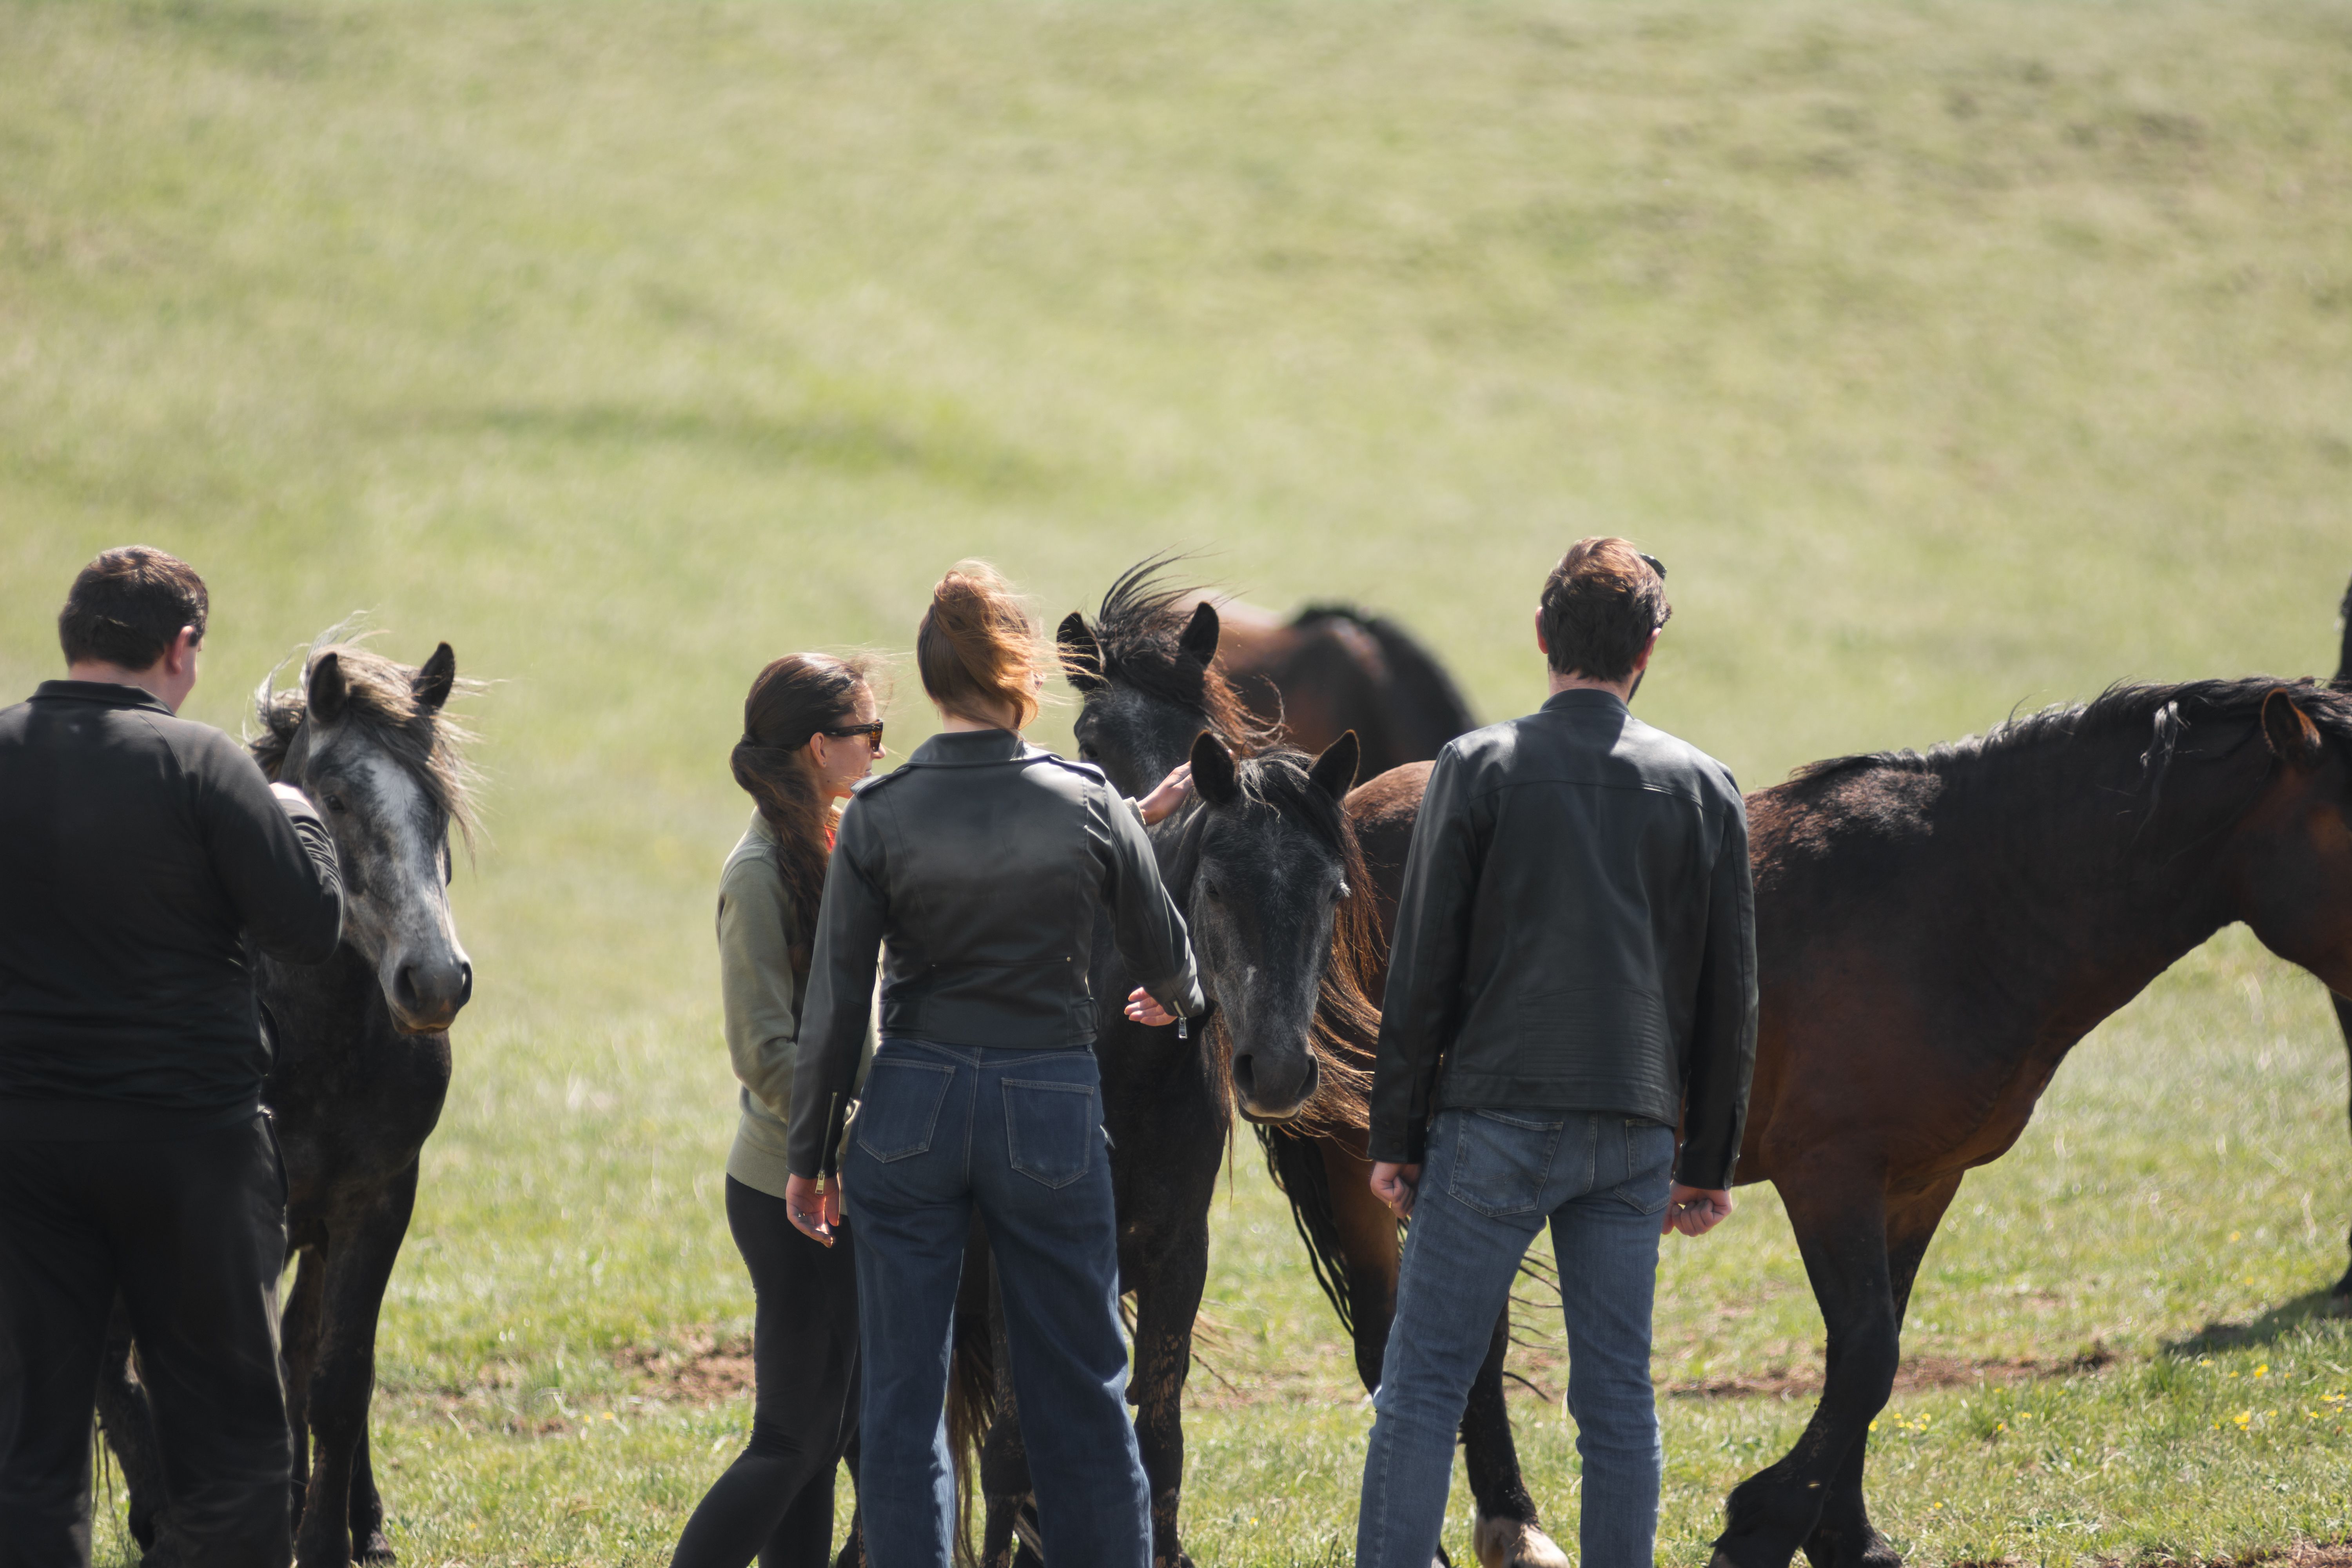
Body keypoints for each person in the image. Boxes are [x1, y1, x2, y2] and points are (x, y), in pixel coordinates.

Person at [781, 563, 1206, 1568]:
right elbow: (1169, 954)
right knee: (1086, 1387)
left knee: (904, 1396)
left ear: (933, 684)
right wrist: (1177, 998)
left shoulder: (879, 812)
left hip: (912, 1105)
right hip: (1050, 1107)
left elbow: (839, 1005)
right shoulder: (1089, 799)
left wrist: (811, 1152)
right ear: (1023, 676)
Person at [1354, 538, 1758, 1568]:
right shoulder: (1706, 788)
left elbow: (1424, 971)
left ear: (1542, 637)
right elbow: (1728, 998)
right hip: (1631, 1134)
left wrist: (1396, 1134)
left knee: (1423, 1392)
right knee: (1617, 1401)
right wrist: (1708, 1159)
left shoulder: (1476, 768)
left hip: (1487, 1124)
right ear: (1649, 651)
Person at [0, 547, 345, 1568]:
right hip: (189, 1144)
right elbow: (308, 929)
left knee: (29, 1446)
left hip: (22, 1143)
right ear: (180, 647)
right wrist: (302, 820)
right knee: (232, 1447)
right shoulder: (206, 767)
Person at [669, 653, 886, 1568]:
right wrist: (877, 1107)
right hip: (789, 1190)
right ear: (817, 746)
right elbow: (764, 1054)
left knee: (829, 1431)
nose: (880, 749)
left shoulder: (828, 839)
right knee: (793, 1438)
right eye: (869, 734)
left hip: (833, 1181)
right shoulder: (759, 871)